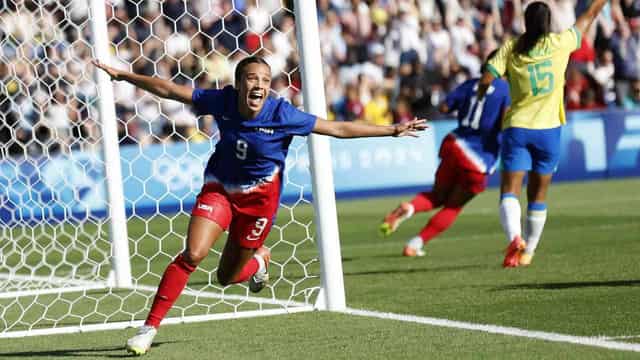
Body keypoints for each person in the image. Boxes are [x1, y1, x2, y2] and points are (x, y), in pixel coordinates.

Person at [92, 56, 427, 356]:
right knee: (193, 254)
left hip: (259, 205)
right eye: (253, 78)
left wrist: (392, 130)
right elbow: (168, 89)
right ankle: (148, 327)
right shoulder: (221, 101)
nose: (260, 85)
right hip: (220, 190)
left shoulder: (282, 113)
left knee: (227, 277)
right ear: (239, 84)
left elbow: (337, 127)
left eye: (266, 80)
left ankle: (259, 262)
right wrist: (124, 76)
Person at [477, 0, 609, 267]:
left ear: (525, 22)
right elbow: (590, 14)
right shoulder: (560, 43)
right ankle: (528, 252)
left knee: (509, 191)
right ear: (548, 23)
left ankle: (515, 238)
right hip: (549, 132)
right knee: (538, 196)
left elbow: (486, 80)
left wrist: (484, 95)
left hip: (518, 128)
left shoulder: (512, 48)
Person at [379, 52, 510, 257]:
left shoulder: (469, 85)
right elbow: (506, 123)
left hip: (454, 144)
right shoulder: (507, 91)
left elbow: (444, 106)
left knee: (437, 196)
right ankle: (414, 244)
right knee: (453, 206)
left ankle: (410, 207)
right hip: (479, 158)